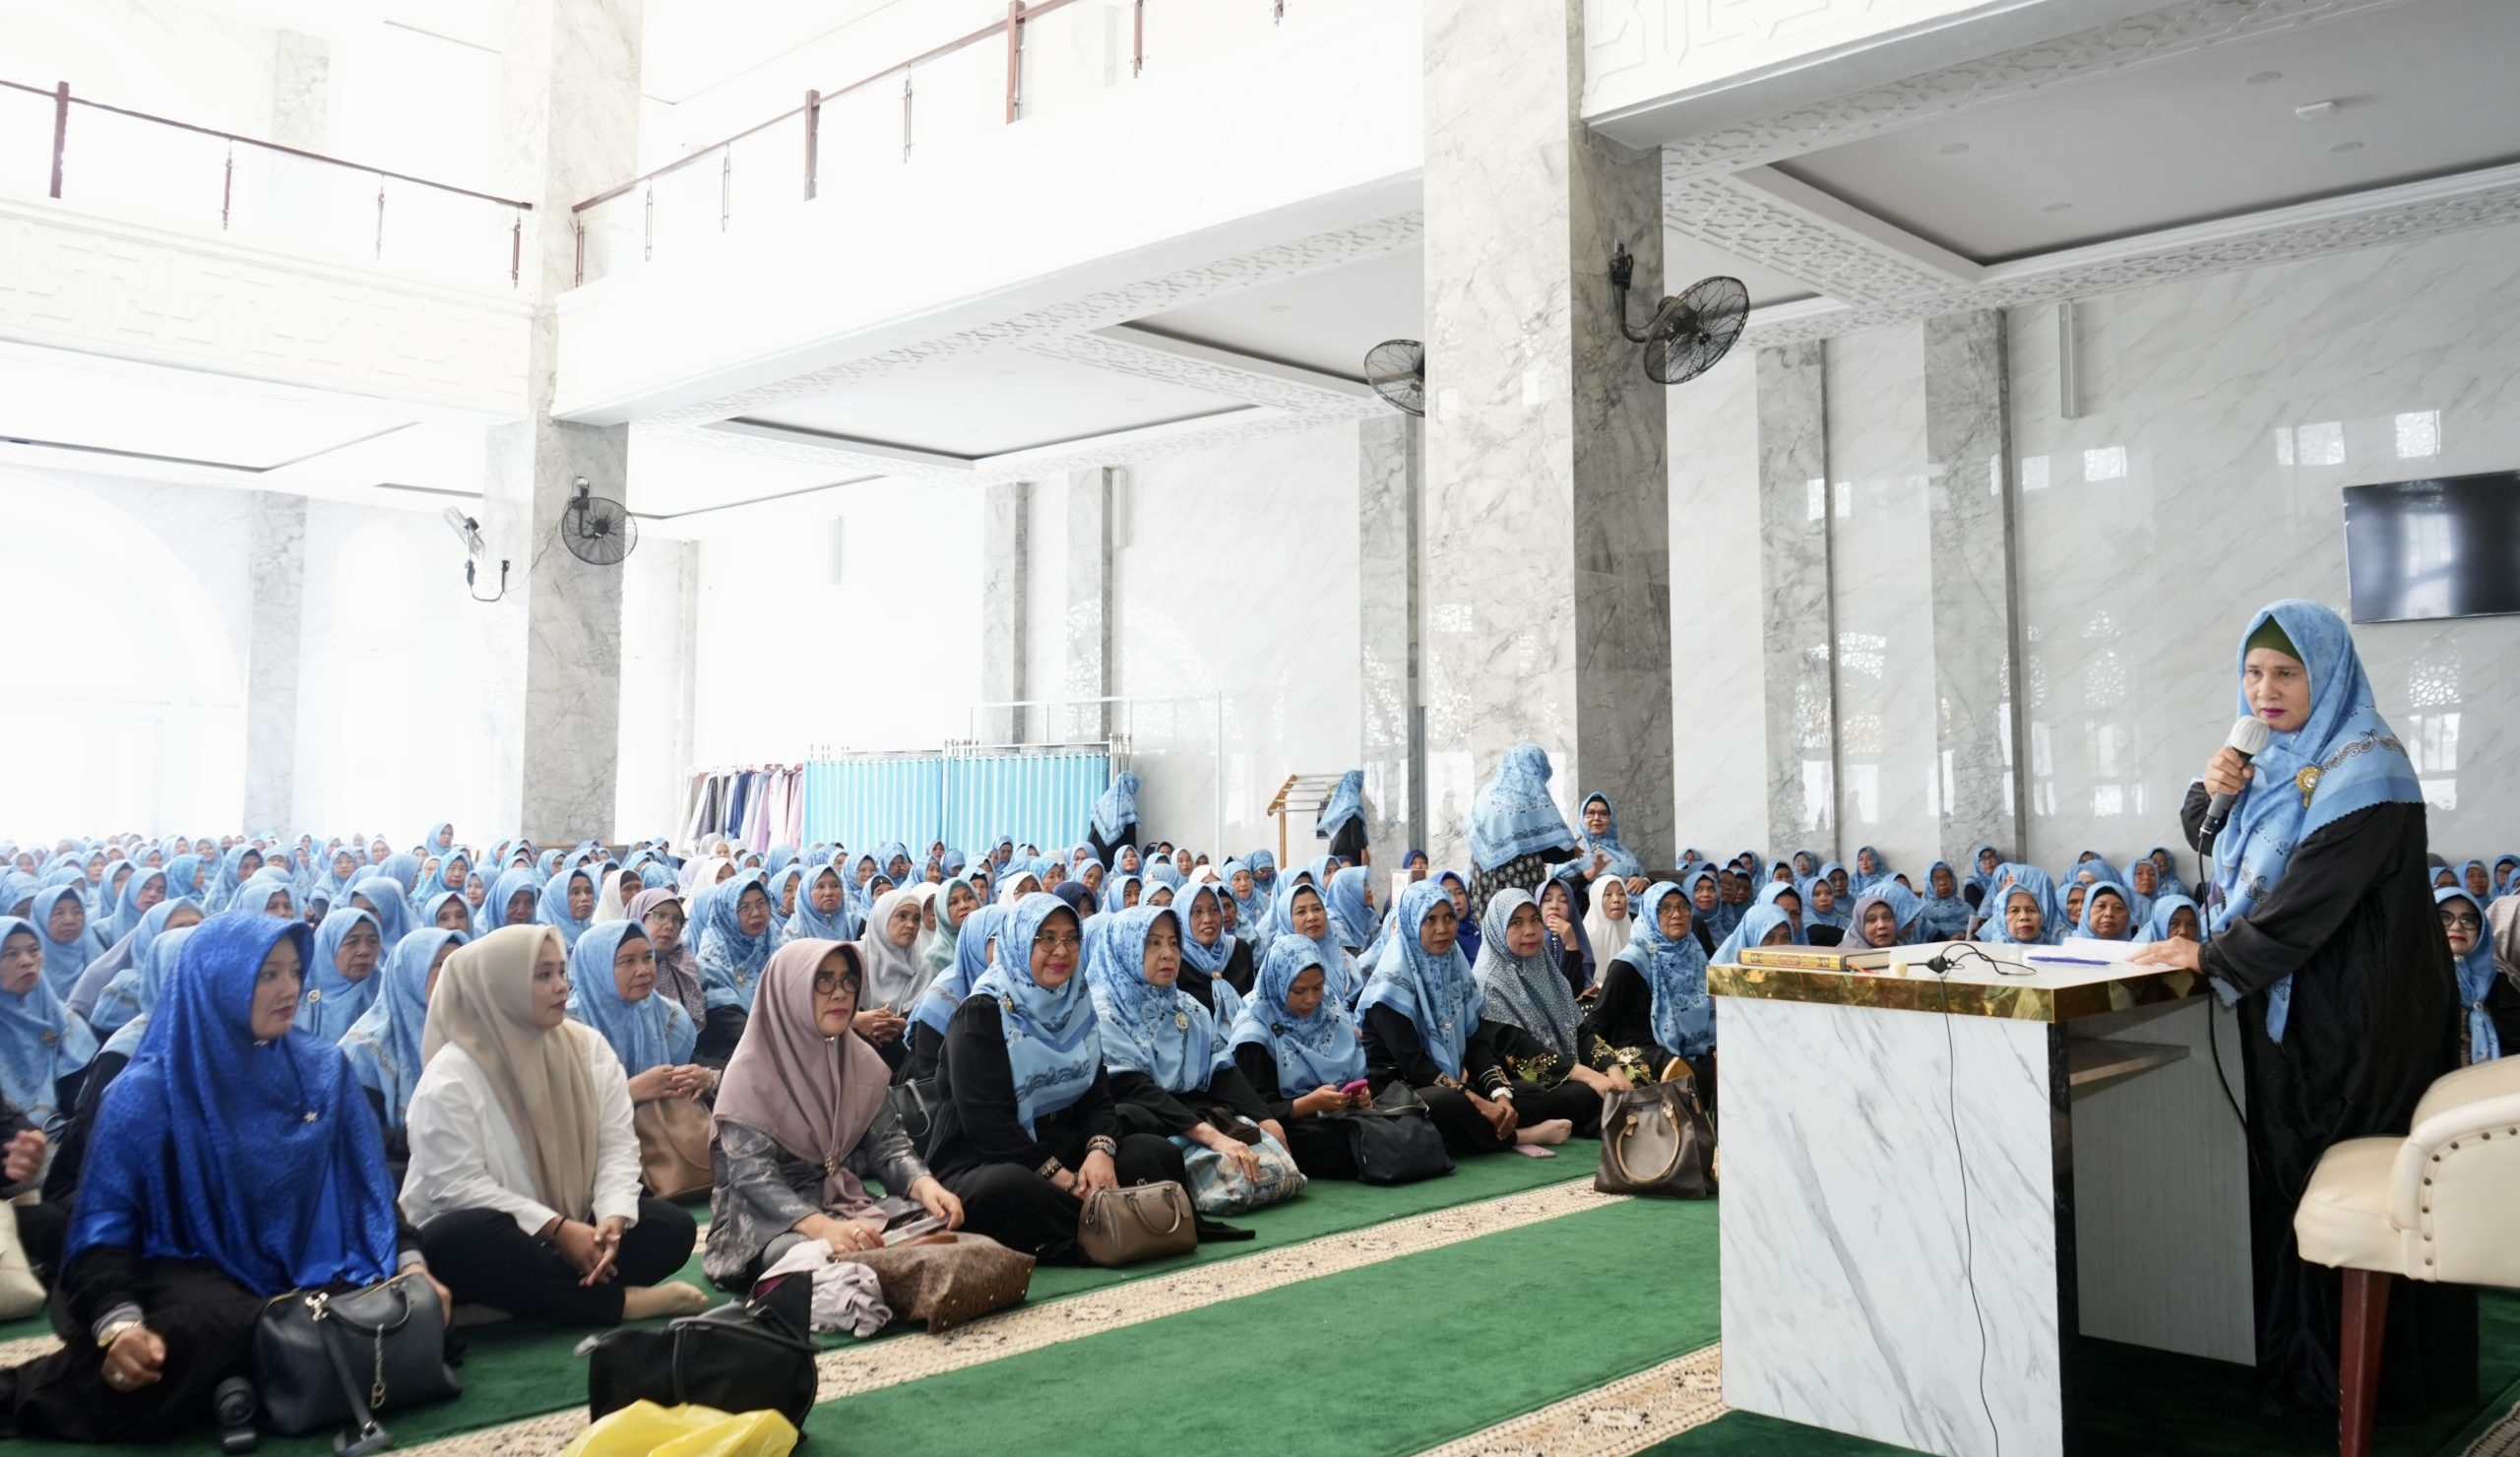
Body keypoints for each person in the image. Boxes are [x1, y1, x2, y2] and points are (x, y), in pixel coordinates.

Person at [2142, 600, 2469, 1422]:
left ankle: (2373, 1384)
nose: (2266, 691)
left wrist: (2213, 957)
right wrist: (2212, 787)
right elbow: (2222, 841)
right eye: (2253, 673)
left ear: (2328, 676)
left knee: (2358, 1194)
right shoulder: (2280, 762)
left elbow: (2310, 894)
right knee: (2300, 1183)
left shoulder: (2368, 772)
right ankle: (2307, 1366)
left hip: (2365, 1020)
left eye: (2287, 673)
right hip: (2300, 1007)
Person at [0, 913, 441, 1444]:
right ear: (215, 981)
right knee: (198, 1334)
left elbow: (366, 1187)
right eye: (267, 975)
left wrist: (411, 1264)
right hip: (188, 1268)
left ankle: (243, 1384)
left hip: (311, 1266)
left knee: (384, 1308)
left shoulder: (322, 1069)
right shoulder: (146, 1093)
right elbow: (105, 1227)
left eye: (295, 972)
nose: (289, 989)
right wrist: (118, 1323)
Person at [400, 924, 705, 1327]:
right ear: (500, 986)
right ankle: (616, 1304)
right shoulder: (451, 1075)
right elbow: (456, 1186)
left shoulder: (587, 1048)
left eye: (562, 971)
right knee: (461, 1237)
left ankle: (518, 1304)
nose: (561, 986)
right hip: (498, 1233)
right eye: (543, 975)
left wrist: (612, 1219)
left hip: (572, 1219)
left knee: (672, 1228)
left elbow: (616, 1146)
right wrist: (557, 1230)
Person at [922, 894, 1191, 1262]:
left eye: (1070, 938)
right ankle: (1119, 1222)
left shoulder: (1076, 1001)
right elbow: (987, 1124)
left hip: (1065, 1147)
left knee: (1154, 1153)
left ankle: (1105, 1223)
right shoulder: (981, 1013)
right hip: (985, 1158)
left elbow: (1097, 1095)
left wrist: (1100, 1152)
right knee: (1012, 1190)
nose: (1061, 950)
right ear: (1019, 941)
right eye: (1046, 938)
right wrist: (1061, 1177)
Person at [704, 940, 964, 1290]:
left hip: (841, 1204)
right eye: (823, 980)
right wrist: (824, 1228)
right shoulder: (749, 1076)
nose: (840, 993)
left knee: (931, 1225)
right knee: (812, 1256)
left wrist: (926, 1187)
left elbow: (888, 1146)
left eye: (848, 980)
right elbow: (753, 1180)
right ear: (790, 992)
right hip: (763, 1221)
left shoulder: (858, 1061)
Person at [1357, 881, 1589, 1155]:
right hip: (1399, 1094)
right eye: (1430, 920)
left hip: (1451, 1085)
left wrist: (1499, 1095)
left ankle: (1486, 1128)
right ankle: (1517, 1136)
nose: (1442, 929)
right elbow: (1416, 1066)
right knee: (1447, 1103)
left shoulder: (1454, 966)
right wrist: (1478, 1102)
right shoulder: (1389, 989)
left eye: (1448, 918)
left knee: (1530, 1094)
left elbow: (1477, 1042)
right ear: (1411, 924)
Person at [1087, 905, 1281, 1188]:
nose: (1168, 953)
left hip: (1192, 1113)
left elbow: (1221, 1071)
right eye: (1153, 943)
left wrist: (1266, 1120)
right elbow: (1131, 1086)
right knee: (1132, 1118)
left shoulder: (1188, 1007)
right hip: (1152, 1115)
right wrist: (1211, 1136)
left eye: (1173, 943)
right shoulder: (1103, 1011)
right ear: (1124, 949)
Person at [1228, 934, 1372, 1179]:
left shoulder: (1329, 1008)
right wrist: (1309, 1104)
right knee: (1333, 1140)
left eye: (1318, 987)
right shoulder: (1255, 1032)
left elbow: (1356, 1070)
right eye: (1299, 991)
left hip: (1339, 1114)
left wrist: (1359, 1095)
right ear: (1278, 983)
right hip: (1289, 1121)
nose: (1311, 999)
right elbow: (1253, 1108)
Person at [1470, 889, 1628, 1111]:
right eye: (1516, 923)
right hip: (1522, 1082)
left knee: (1629, 1070)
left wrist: (1611, 1068)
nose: (1530, 930)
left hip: (1568, 1065)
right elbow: (1521, 1053)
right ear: (1497, 928)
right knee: (1588, 1095)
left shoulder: (1541, 962)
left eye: (1535, 919)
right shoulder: (1489, 981)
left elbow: (1578, 1029)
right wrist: (1590, 1077)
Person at [341, 927, 465, 1174]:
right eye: (441, 965)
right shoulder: (363, 1049)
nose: (455, 974)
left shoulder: (473, 1030)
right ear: (411, 973)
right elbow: (362, 1136)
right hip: (397, 1173)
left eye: (460, 964)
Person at [1583, 882, 1717, 1107]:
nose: (1676, 914)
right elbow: (1596, 1024)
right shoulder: (1630, 963)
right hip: (1642, 1052)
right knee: (1695, 1076)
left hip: (1691, 1045)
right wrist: (1605, 1069)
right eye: (1665, 908)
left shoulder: (1694, 953)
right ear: (1650, 914)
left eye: (1683, 907)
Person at [567, 920, 714, 1111]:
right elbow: (563, 1113)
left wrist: (703, 1078)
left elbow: (687, 1080)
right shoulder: (567, 1028)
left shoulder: (669, 1015)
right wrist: (631, 1091)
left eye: (647, 957)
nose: (643, 970)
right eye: (627, 961)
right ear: (597, 969)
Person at [1, 916, 98, 1138]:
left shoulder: (61, 1017)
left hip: (60, 1132)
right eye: (11, 954)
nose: (27, 961)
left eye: (34, 950)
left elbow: (79, 1089)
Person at [1465, 743, 1579, 913]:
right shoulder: (1528, 799)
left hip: (1482, 872)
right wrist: (1571, 851)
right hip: (1519, 875)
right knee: (1520, 921)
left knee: (1491, 922)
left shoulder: (1488, 793)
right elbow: (1549, 849)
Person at [904, 903, 1002, 1084]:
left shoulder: (1013, 985)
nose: (1008, 948)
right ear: (976, 942)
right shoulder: (943, 998)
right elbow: (928, 1071)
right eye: (999, 939)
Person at [2436, 888, 2517, 1066]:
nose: (2456, 926)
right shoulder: (2417, 982)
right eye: (2444, 918)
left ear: (2482, 931)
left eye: (2468, 919)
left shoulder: (2498, 982)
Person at [853, 887, 927, 1075]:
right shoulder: (854, 956)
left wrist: (902, 1024)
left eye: (916, 919)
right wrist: (858, 1020)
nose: (910, 925)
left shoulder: (922, 966)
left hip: (900, 1052)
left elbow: (920, 1016)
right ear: (882, 918)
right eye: (902, 916)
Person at [1176, 881, 1255, 1007]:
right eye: (1197, 911)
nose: (1208, 919)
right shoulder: (1177, 960)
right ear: (1182, 917)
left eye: (1215, 909)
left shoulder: (1239, 949)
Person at [1088, 771, 1142, 865]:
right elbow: (1130, 836)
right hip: (1115, 849)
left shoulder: (1103, 800)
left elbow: (1092, 824)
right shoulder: (1127, 804)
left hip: (1095, 844)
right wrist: (1135, 857)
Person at [1317, 769, 1368, 867]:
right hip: (1348, 864)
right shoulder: (1353, 813)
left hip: (1336, 862)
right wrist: (1364, 870)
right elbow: (1361, 848)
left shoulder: (1338, 810)